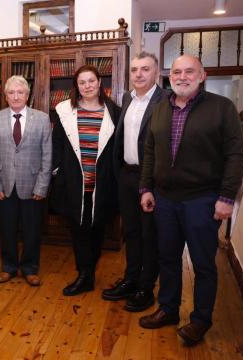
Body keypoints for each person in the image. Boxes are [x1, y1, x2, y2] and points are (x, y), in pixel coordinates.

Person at [138, 55, 243, 345]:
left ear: (202, 75)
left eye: (189, 71)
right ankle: (169, 309)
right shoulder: (160, 109)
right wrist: (146, 188)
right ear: (169, 76)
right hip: (165, 200)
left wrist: (226, 197)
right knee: (168, 258)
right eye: (176, 72)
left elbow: (235, 155)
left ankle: (200, 321)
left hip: (203, 201)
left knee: (203, 264)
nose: (182, 76)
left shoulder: (221, 108)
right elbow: (150, 152)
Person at [102, 52, 166, 312]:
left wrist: (149, 183)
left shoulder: (166, 101)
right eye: (134, 69)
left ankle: (146, 288)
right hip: (127, 175)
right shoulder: (127, 98)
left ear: (156, 72)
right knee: (131, 232)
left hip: (150, 178)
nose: (139, 74)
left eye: (145, 69)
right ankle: (131, 279)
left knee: (150, 234)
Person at [50, 64, 120, 296]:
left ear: (100, 83)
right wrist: (58, 171)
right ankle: (84, 275)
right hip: (74, 184)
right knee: (79, 230)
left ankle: (88, 272)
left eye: (91, 81)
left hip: (102, 183)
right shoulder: (64, 111)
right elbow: (57, 145)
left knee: (97, 229)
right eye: (82, 82)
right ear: (76, 86)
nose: (87, 86)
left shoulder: (114, 112)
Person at [0, 75, 52, 287]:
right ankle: (9, 267)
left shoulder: (41, 119)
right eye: (11, 93)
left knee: (32, 230)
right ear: (5, 96)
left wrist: (42, 185)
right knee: (7, 229)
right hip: (4, 185)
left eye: (20, 92)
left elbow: (47, 156)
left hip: (32, 185)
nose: (16, 96)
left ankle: (30, 269)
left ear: (27, 95)